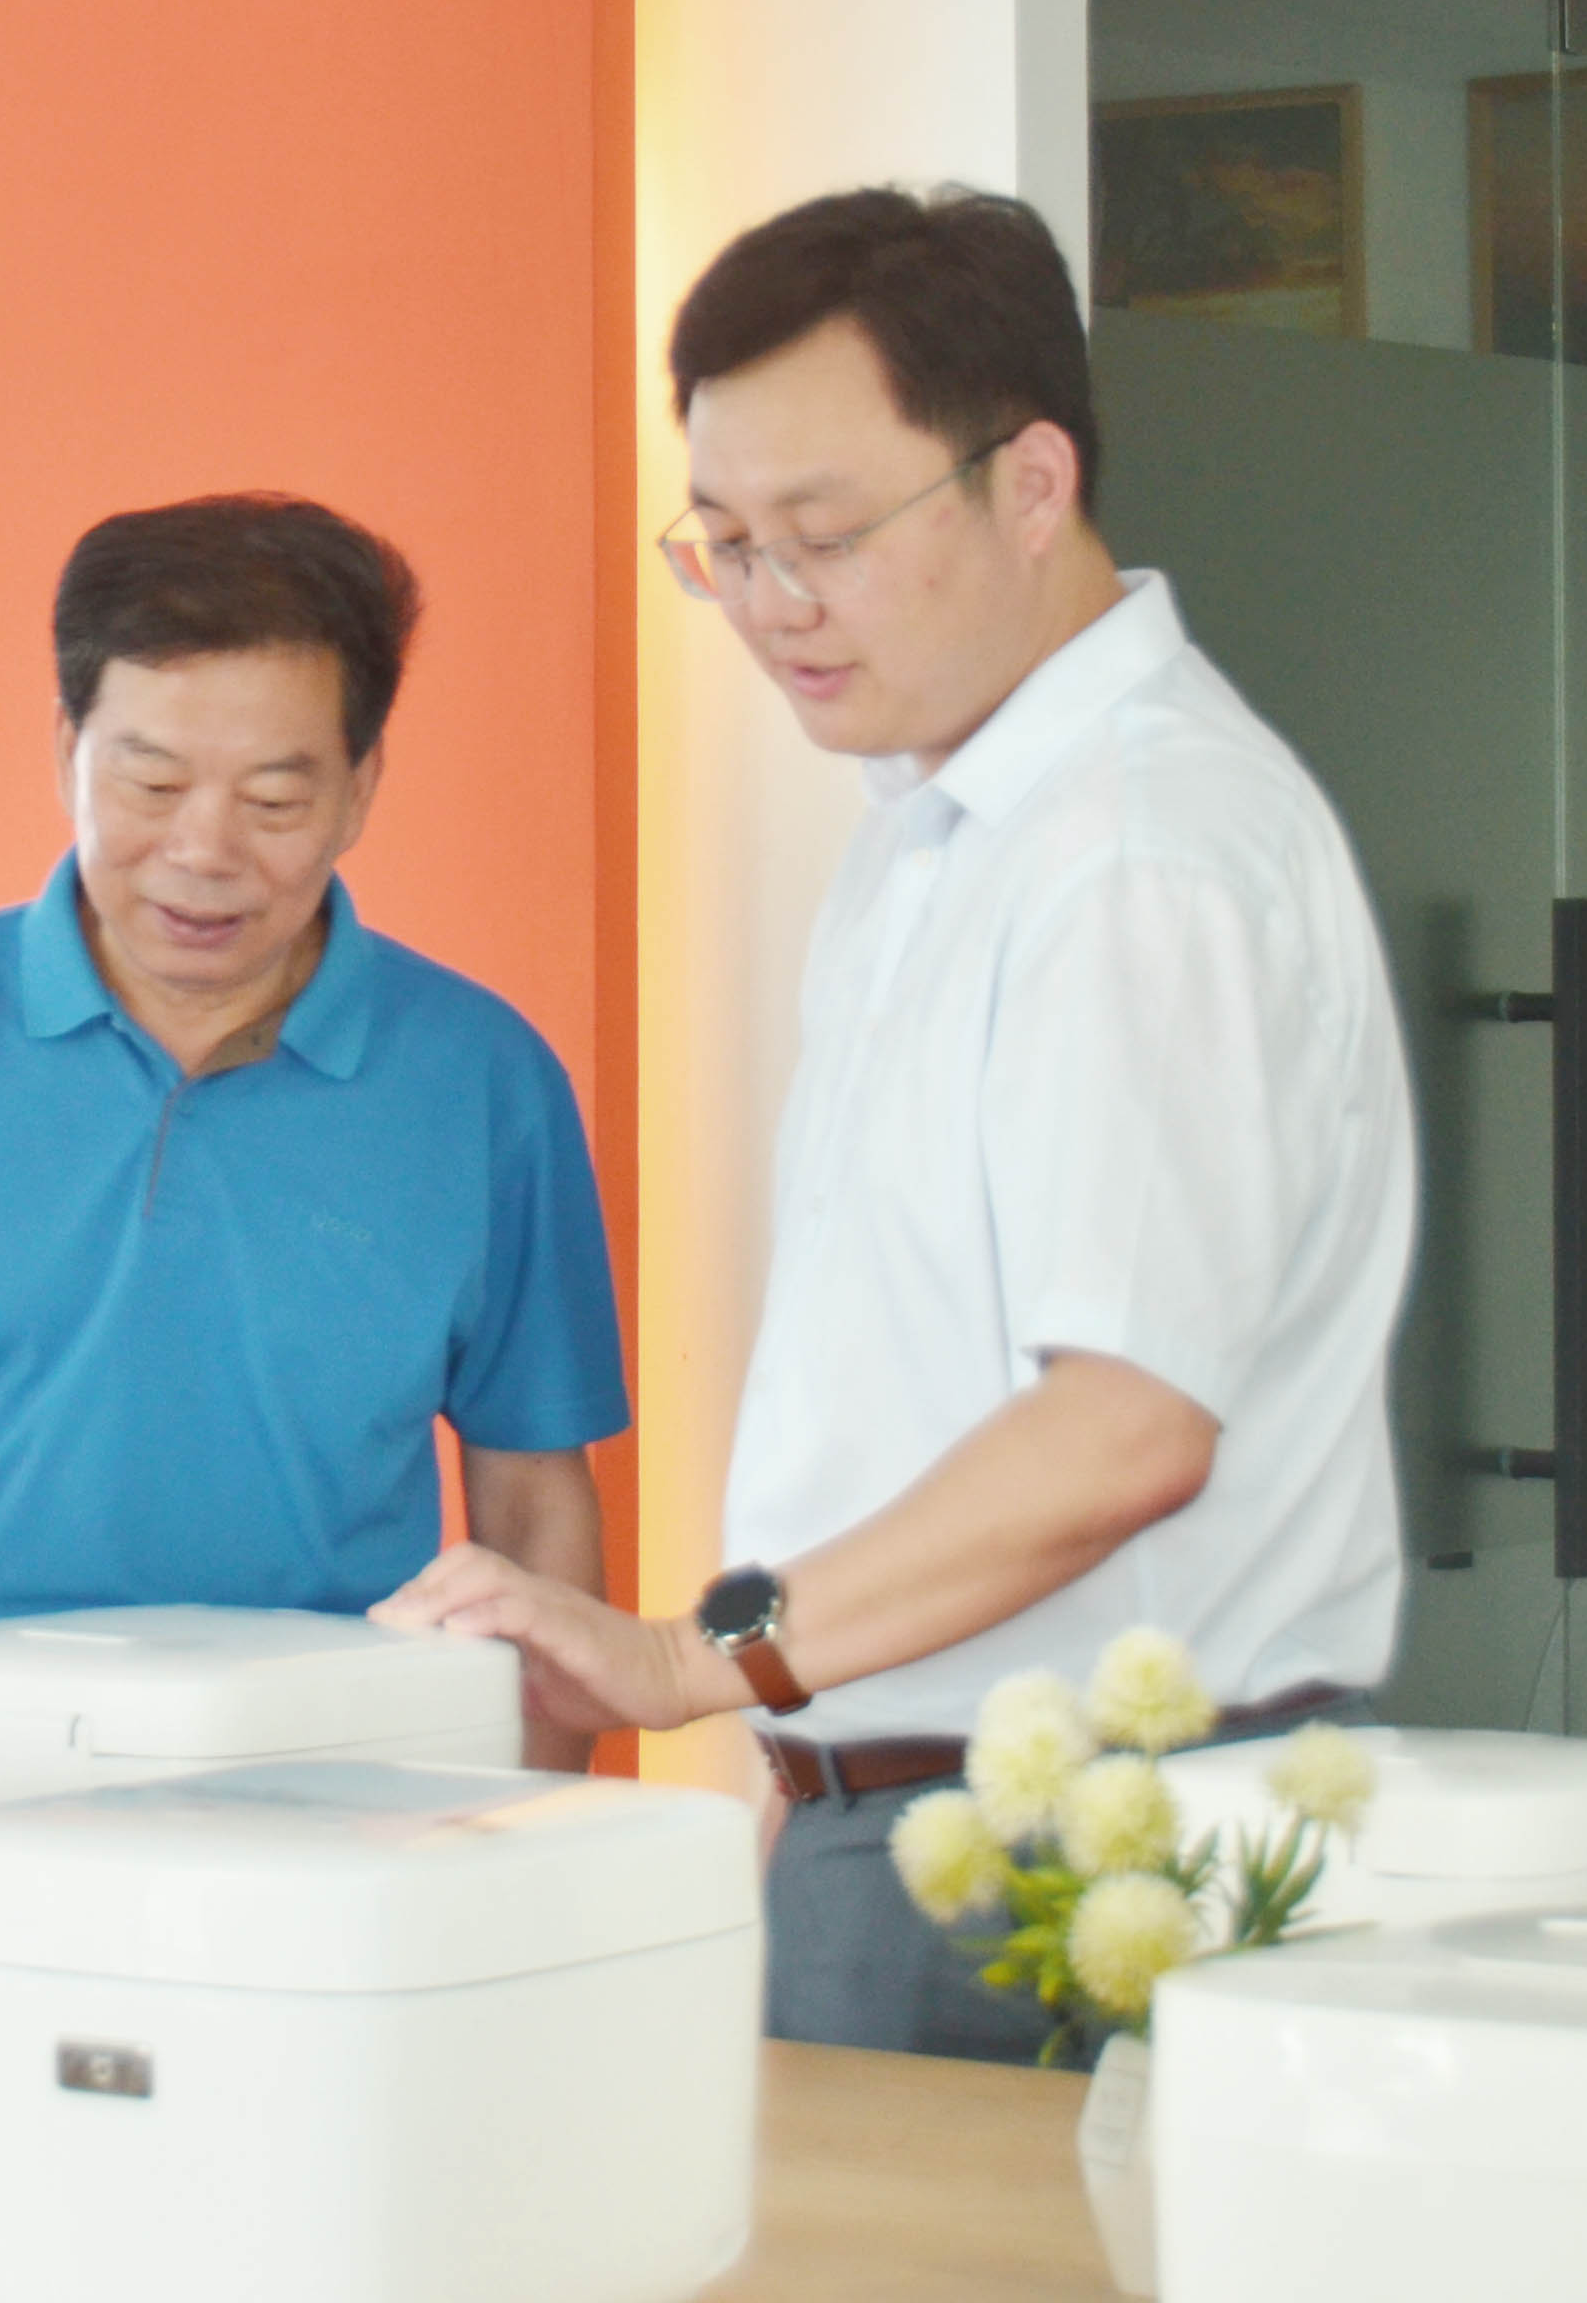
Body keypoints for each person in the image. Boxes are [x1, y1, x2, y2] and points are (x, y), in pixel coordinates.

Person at [382, 187, 1414, 2059]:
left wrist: (699, 1658)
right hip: (916, 1813)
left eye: (827, 537)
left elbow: (1124, 1428)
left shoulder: (1135, 853)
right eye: (724, 545)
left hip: (1073, 1838)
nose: (771, 604)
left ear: (1031, 482)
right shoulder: (944, 825)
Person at [0, 494, 631, 2012]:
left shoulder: (484, 1079)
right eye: (151, 780)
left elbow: (532, 1497)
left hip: (338, 1811)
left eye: (276, 798)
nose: (202, 853)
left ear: (363, 786)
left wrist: (521, 1830)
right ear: (66, 746)